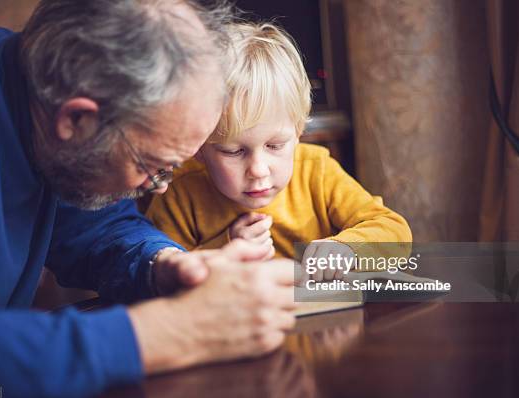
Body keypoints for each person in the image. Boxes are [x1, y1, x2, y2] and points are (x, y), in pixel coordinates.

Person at [0, 1, 296, 398]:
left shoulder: (38, 113)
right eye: (153, 164)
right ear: (76, 120)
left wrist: (162, 264)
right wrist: (169, 332)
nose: (159, 188)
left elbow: (98, 226)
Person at [146, 22, 412, 282]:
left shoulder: (316, 170)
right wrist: (223, 249)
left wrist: (348, 249)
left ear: (298, 133)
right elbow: (159, 280)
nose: (258, 170)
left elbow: (397, 235)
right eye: (234, 151)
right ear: (199, 148)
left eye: (274, 146)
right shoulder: (179, 192)